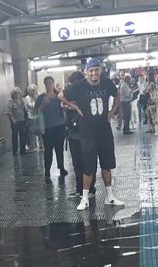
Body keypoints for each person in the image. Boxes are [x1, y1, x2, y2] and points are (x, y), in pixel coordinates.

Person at [61, 58, 122, 211]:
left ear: (100, 70)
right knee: (88, 167)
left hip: (104, 131)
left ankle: (110, 196)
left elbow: (118, 95)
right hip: (87, 132)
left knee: (107, 165)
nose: (94, 73)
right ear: (86, 72)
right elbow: (61, 96)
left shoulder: (107, 83)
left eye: (96, 69)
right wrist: (75, 108)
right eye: (91, 70)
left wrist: (112, 112)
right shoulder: (79, 86)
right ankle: (85, 198)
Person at [65, 71, 95, 200]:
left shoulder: (87, 93)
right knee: (77, 164)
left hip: (86, 134)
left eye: (73, 83)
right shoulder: (71, 95)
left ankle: (89, 189)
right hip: (73, 134)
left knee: (87, 163)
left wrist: (72, 107)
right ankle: (79, 189)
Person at [35, 76, 68, 178]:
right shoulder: (41, 98)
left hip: (60, 125)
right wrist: (43, 105)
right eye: (47, 83)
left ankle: (61, 167)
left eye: (50, 83)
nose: (49, 85)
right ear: (44, 85)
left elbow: (67, 107)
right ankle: (47, 170)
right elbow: (35, 112)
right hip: (47, 127)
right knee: (48, 150)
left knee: (59, 149)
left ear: (53, 83)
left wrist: (65, 109)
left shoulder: (59, 96)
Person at [4, 87, 27, 155]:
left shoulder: (21, 100)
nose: (17, 94)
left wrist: (23, 104)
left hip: (22, 119)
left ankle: (23, 150)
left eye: (18, 93)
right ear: (12, 94)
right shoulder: (10, 101)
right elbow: (7, 111)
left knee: (22, 135)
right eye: (15, 93)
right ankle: (15, 150)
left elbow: (24, 109)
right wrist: (12, 119)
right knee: (15, 135)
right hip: (15, 120)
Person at [24, 84, 40, 152]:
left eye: (33, 90)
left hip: (38, 116)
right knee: (31, 132)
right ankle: (33, 146)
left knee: (40, 131)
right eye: (31, 90)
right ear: (28, 91)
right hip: (30, 116)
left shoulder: (38, 96)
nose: (32, 92)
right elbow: (25, 107)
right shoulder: (27, 98)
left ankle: (42, 145)